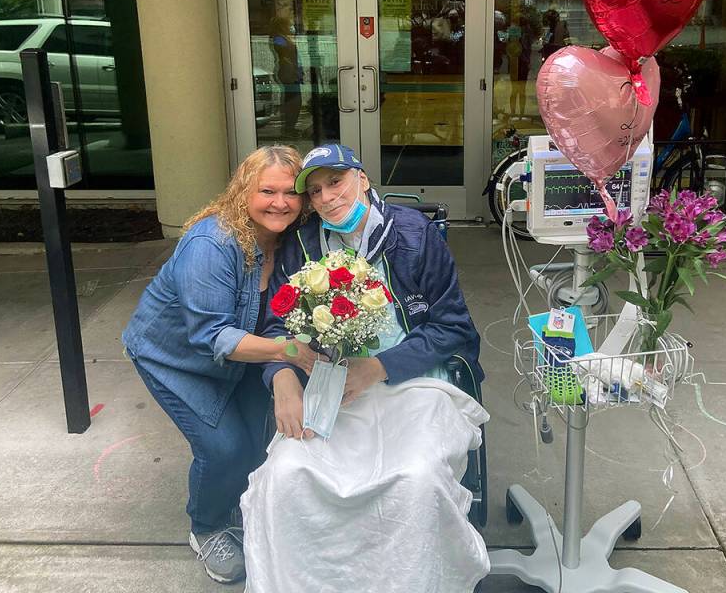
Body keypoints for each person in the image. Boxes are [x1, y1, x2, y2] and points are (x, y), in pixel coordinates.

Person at [241, 144, 489, 593]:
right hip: (333, 385)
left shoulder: (413, 234)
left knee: (416, 478)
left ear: (363, 179)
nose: (327, 197)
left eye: (335, 181)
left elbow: (454, 327)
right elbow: (276, 324)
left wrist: (379, 367)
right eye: (314, 191)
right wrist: (281, 378)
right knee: (287, 476)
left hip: (417, 382)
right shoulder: (303, 244)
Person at [122, 145, 320, 584]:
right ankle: (206, 526)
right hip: (174, 358)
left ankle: (238, 503)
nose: (280, 202)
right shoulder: (213, 243)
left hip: (245, 352)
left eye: (292, 192)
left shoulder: (293, 237)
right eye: (267, 190)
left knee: (256, 442)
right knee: (224, 449)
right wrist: (288, 353)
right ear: (242, 192)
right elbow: (212, 335)